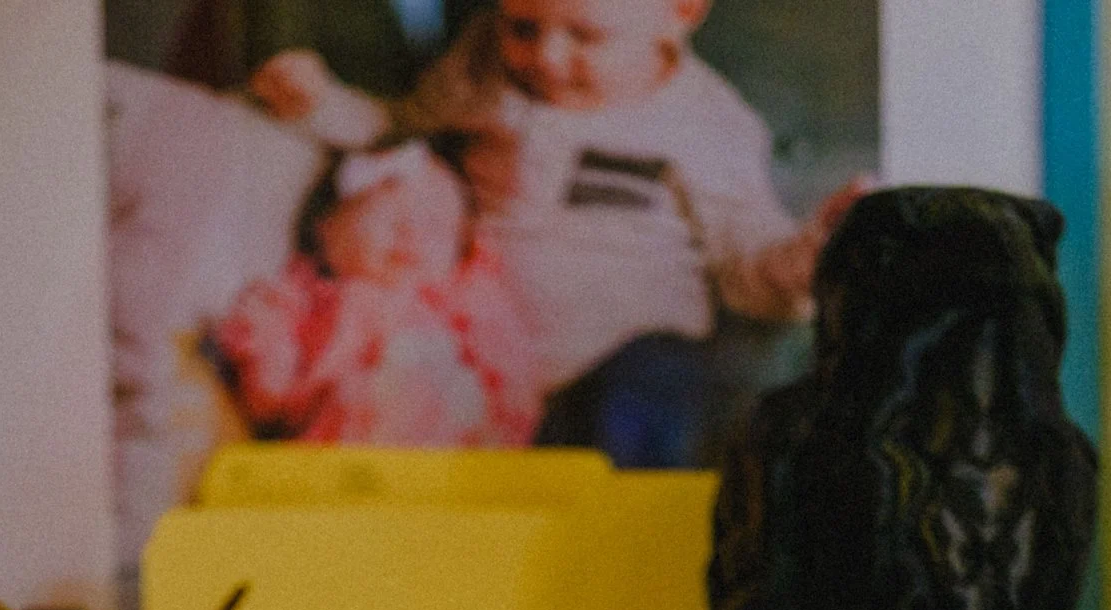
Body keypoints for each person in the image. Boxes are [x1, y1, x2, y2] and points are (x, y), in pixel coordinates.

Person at [250, 0, 863, 462]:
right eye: (522, 27)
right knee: (381, 388)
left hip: (627, 364)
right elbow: (399, 130)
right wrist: (319, 104)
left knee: (648, 396)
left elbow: (747, 264)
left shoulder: (708, 124)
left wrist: (810, 258)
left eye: (585, 35)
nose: (544, 57)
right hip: (477, 366)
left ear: (680, 11)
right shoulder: (484, 65)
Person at [211, 141, 541, 446]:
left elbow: (512, 373)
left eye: (437, 228)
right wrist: (269, 368)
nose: (413, 235)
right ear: (326, 228)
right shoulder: (302, 296)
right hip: (336, 450)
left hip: (445, 451)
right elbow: (267, 397)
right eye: (394, 216)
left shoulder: (456, 301)